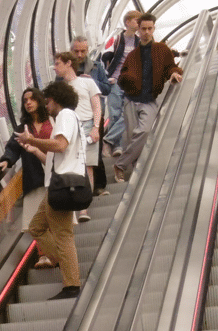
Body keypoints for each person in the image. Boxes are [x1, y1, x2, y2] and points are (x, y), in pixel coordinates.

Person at [14, 81, 87, 300]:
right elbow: (53, 157)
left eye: (47, 100)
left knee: (63, 235)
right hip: (57, 183)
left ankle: (71, 284)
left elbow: (60, 145)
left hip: (62, 185)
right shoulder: (68, 118)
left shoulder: (64, 115)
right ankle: (64, 263)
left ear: (55, 99)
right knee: (36, 227)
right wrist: (35, 149)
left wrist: (32, 138)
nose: (47, 104)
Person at [112, 13, 184, 181]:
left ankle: (120, 165)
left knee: (144, 131)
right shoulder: (132, 55)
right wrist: (128, 79)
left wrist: (174, 74)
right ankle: (137, 172)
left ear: (154, 28)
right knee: (132, 138)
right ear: (138, 29)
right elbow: (123, 75)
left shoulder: (162, 49)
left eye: (149, 29)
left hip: (149, 99)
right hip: (130, 99)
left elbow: (171, 67)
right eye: (143, 29)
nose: (146, 32)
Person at [51, 51, 102, 220]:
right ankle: (74, 206)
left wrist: (96, 127)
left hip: (87, 125)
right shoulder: (59, 89)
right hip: (70, 127)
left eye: (58, 63)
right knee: (73, 166)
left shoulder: (87, 82)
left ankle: (83, 208)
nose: (55, 67)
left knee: (88, 166)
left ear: (68, 64)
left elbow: (96, 106)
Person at [0, 87, 53, 194]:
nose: (28, 103)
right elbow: (13, 148)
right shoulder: (22, 129)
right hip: (35, 181)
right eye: (25, 101)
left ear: (40, 100)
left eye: (32, 99)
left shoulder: (52, 121)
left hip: (55, 175)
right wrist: (6, 160)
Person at [71, 36, 110, 195]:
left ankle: (98, 186)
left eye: (83, 51)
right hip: (74, 115)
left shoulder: (96, 67)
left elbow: (106, 89)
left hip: (94, 115)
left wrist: (91, 82)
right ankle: (82, 188)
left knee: (95, 148)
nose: (80, 55)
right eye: (76, 51)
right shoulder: (66, 68)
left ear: (88, 50)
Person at [101, 11, 143, 156]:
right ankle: (116, 147)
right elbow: (105, 57)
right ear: (127, 22)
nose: (139, 23)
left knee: (127, 114)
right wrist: (108, 75)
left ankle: (107, 140)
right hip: (116, 81)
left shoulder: (140, 41)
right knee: (114, 114)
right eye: (137, 20)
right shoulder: (117, 39)